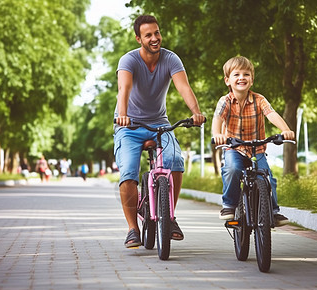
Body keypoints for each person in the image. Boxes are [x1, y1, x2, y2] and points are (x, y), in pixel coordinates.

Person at [113, 15, 206, 248]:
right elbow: (123, 89)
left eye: (157, 33)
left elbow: (183, 86)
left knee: (175, 160)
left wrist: (196, 111)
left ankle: (170, 217)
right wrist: (122, 115)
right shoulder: (129, 60)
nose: (154, 38)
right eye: (148, 35)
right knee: (128, 173)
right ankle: (133, 229)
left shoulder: (171, 58)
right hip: (130, 126)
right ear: (138, 38)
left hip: (159, 124)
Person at [211, 56, 294, 226]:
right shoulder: (225, 101)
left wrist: (285, 130)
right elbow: (217, 119)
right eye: (236, 74)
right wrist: (217, 134)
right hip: (234, 148)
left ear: (252, 79)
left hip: (257, 149)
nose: (242, 77)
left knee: (267, 178)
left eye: (246, 74)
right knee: (232, 169)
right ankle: (229, 205)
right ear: (227, 80)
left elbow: (271, 114)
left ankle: (273, 211)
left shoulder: (259, 99)